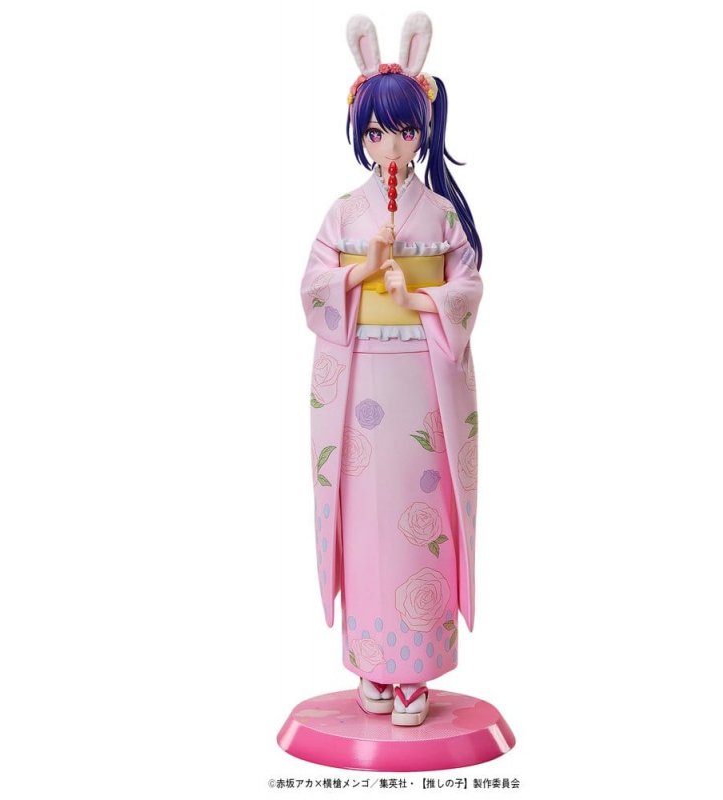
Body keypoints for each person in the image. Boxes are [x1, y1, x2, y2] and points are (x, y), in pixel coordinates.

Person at [300, 12, 483, 727]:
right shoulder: (345, 213)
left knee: (418, 516)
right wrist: (360, 272)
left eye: (402, 131)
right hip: (359, 385)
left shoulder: (440, 214)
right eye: (375, 133)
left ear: (422, 130)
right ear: (360, 135)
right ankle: (371, 663)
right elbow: (312, 288)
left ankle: (415, 673)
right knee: (364, 515)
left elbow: (468, 286)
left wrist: (418, 298)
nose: (390, 146)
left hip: (423, 384)